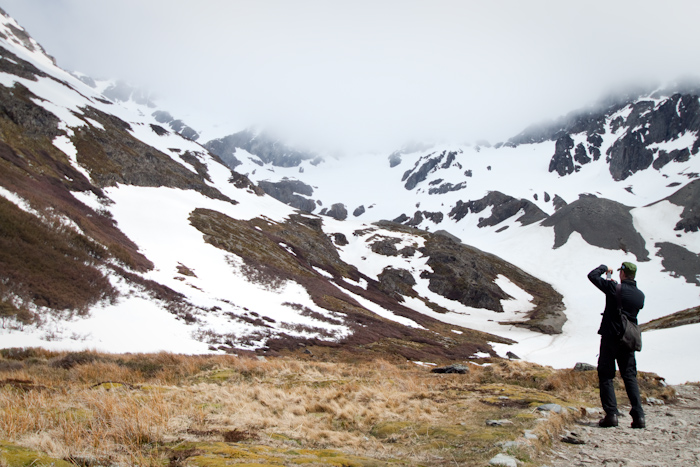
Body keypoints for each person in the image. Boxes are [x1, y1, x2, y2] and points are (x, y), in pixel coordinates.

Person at [588, 262, 645, 429]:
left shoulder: (614, 288)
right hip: (628, 338)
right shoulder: (639, 295)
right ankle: (639, 416)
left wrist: (604, 268)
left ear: (623, 273)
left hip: (610, 335)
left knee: (606, 375)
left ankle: (611, 415)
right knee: (629, 376)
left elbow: (592, 276)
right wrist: (610, 279)